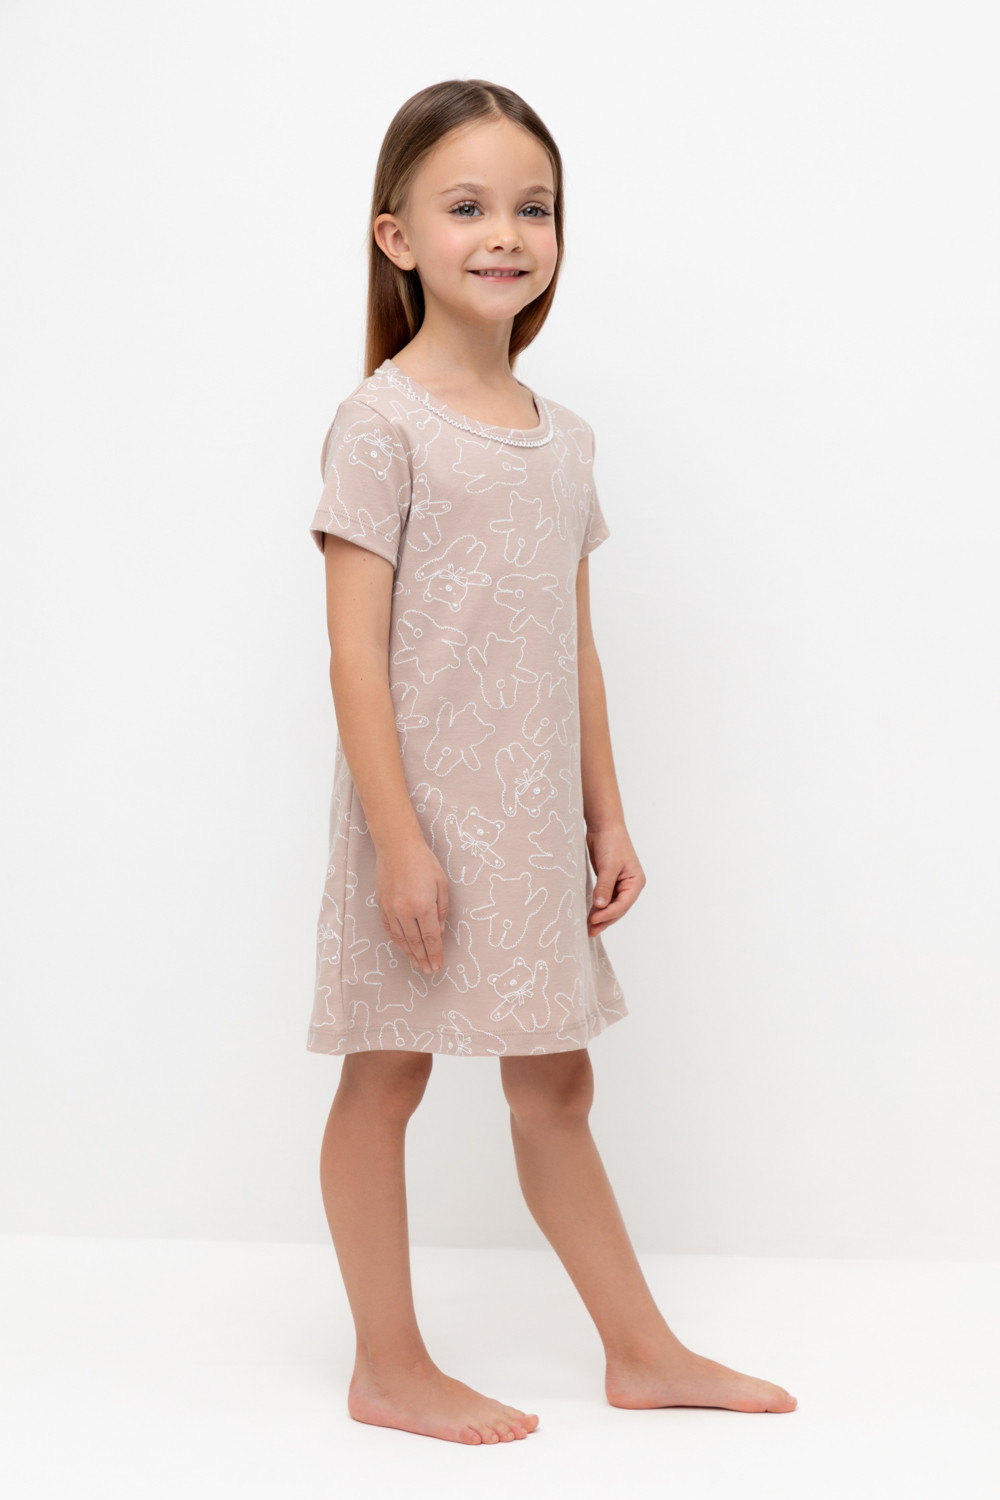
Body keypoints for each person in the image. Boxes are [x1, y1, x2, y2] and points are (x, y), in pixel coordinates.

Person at [307, 78, 797, 1446]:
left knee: (557, 1083)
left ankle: (641, 1351)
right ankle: (388, 1366)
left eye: (534, 207)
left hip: (526, 826)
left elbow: (569, 646)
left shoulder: (562, 437)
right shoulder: (381, 424)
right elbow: (352, 658)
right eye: (467, 206)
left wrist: (608, 818)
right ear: (398, 237)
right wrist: (400, 842)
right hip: (417, 818)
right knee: (388, 1077)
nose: (505, 233)